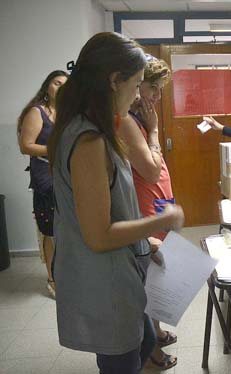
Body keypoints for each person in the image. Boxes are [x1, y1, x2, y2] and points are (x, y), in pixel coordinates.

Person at [48, 32, 184, 373]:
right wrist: (159, 221)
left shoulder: (97, 128)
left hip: (119, 265)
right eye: (137, 85)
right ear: (114, 81)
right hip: (102, 277)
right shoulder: (89, 139)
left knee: (146, 341)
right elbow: (98, 234)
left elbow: (112, 206)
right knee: (122, 359)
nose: (139, 95)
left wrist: (143, 239)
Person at [116, 55, 177, 370]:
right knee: (150, 277)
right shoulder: (129, 121)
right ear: (136, 85)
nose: (157, 96)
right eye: (153, 88)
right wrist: (154, 132)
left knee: (156, 274)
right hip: (144, 207)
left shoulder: (138, 116)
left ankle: (158, 331)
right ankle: (151, 347)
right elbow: (151, 172)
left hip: (157, 204)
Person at [17, 70, 68, 298]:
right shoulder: (36, 111)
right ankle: (52, 279)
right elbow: (26, 145)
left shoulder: (67, 113)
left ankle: (68, 275)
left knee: (68, 229)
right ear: (47, 86)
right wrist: (56, 150)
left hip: (66, 175)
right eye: (56, 83)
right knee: (50, 231)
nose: (60, 88)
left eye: (65, 85)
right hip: (45, 176)